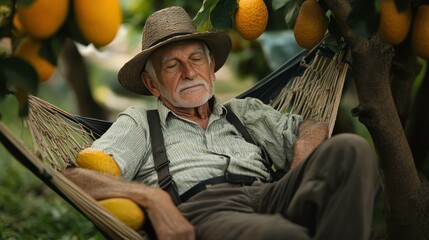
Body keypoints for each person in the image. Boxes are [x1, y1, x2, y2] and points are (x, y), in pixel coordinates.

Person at [63, 6, 377, 240]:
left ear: (211, 66)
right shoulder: (141, 123)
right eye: (172, 65)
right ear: (152, 84)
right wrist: (153, 198)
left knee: (351, 149)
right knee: (282, 235)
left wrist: (298, 169)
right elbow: (75, 178)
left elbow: (312, 126)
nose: (189, 72)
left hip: (271, 194)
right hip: (207, 210)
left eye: (196, 59)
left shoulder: (245, 111)